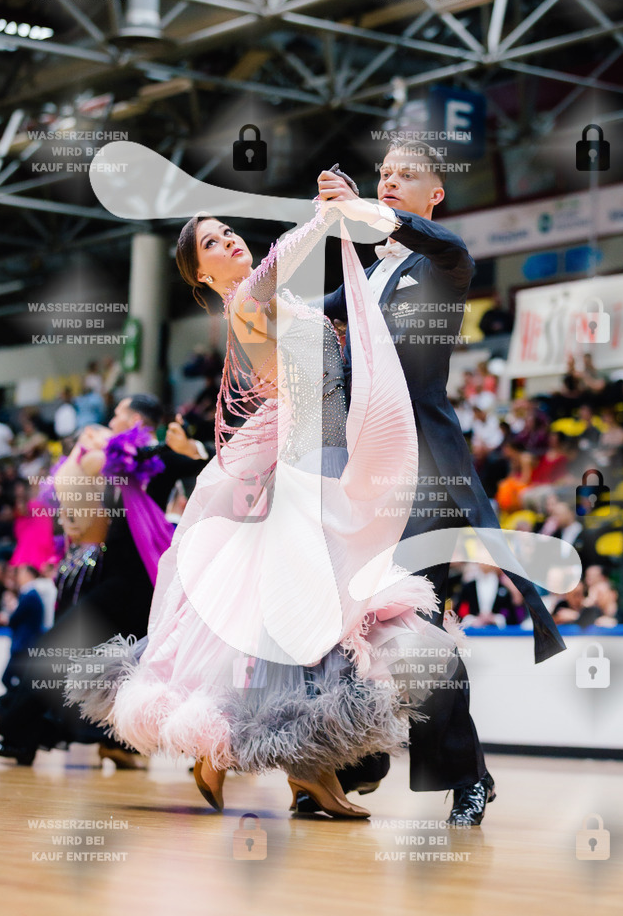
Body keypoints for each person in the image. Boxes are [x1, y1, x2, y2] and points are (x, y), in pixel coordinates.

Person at [68, 202, 467, 818]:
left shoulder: (277, 304)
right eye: (211, 243)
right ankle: (265, 759)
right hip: (307, 468)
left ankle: (278, 762)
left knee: (297, 617)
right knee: (310, 612)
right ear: (202, 275)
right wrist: (325, 219)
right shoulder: (246, 300)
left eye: (228, 232)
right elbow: (282, 261)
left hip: (324, 460)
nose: (229, 241)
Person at [320, 140, 565, 826]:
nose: (389, 180)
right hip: (362, 474)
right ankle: (356, 757)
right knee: (351, 621)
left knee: (414, 625)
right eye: (383, 173)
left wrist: (364, 210)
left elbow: (437, 242)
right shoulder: (367, 275)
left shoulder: (443, 263)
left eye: (406, 174)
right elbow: (306, 315)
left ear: (435, 193)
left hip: (424, 473)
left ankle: (464, 778)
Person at [0, 395, 205, 767]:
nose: (111, 420)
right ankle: (105, 742)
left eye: (118, 414)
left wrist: (192, 447)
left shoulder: (154, 457)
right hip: (117, 577)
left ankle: (14, 724)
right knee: (116, 669)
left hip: (135, 582)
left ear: (136, 419)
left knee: (65, 652)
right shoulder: (114, 457)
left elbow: (199, 464)